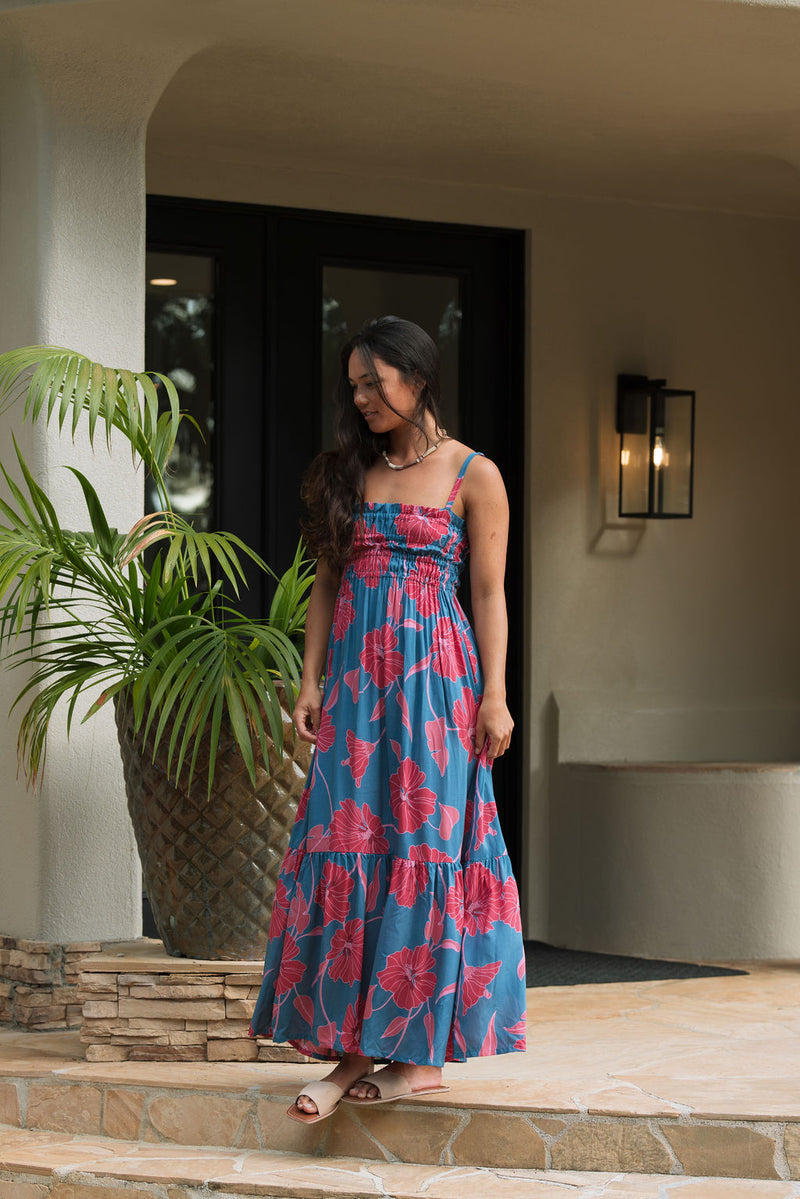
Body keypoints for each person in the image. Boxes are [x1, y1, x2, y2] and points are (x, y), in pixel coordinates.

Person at [249, 315, 526, 1123]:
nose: (363, 397)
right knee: (352, 841)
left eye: (376, 382)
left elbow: (488, 594)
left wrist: (496, 694)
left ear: (419, 375)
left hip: (438, 687)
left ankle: (396, 1056)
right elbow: (326, 585)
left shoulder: (475, 474)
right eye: (356, 385)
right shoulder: (349, 472)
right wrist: (310, 678)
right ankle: (376, 1052)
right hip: (358, 694)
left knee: (426, 848)